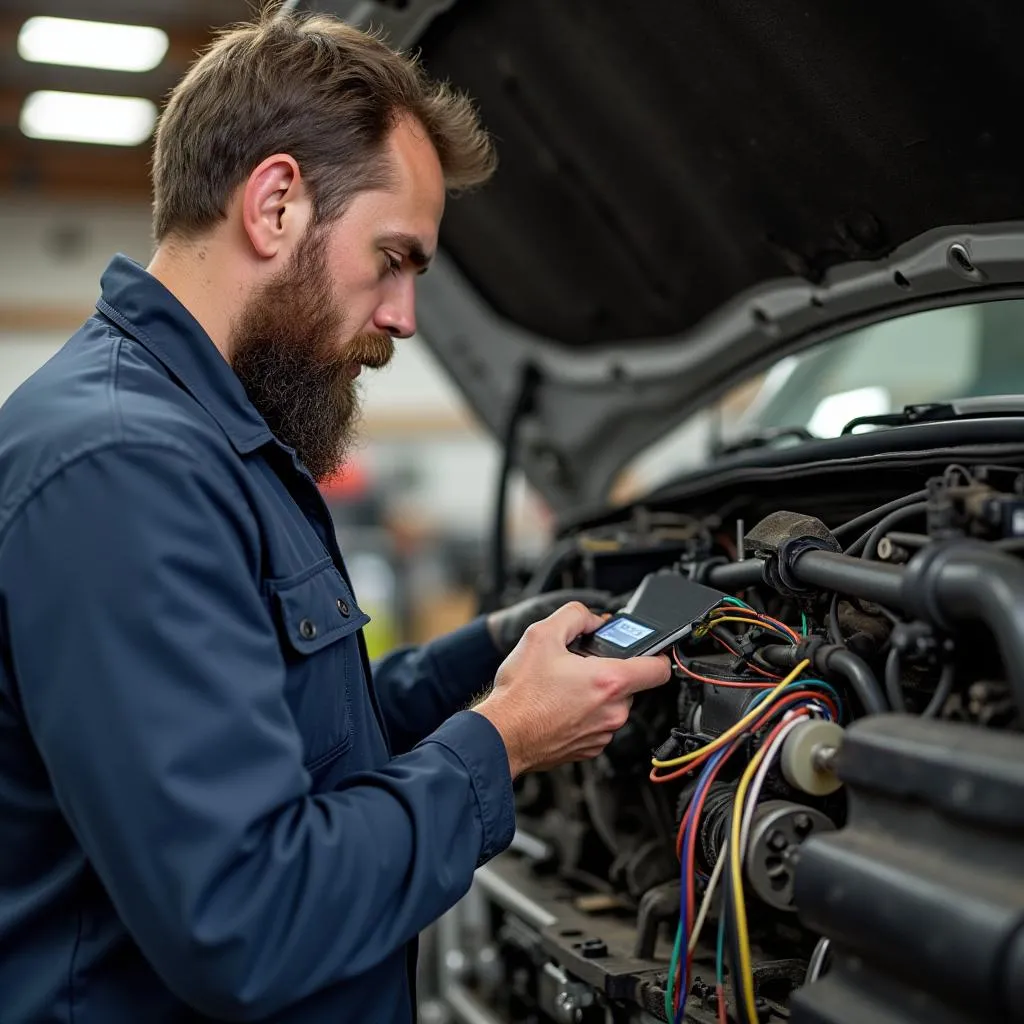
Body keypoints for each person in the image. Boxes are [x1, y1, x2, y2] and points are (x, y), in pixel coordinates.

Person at [0, 8, 671, 1024]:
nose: (404, 315)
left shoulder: (210, 440)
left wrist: (483, 659)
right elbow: (246, 916)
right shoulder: (123, 467)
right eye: (395, 258)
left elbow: (292, 737)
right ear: (275, 205)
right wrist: (505, 740)